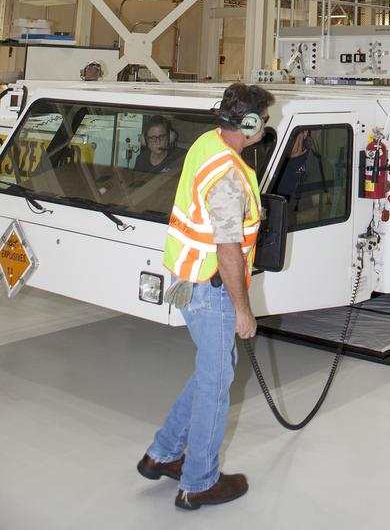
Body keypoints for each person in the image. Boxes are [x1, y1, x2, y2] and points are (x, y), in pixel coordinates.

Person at [136, 82, 273, 511]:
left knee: (214, 368)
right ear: (248, 124)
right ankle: (199, 482)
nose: (266, 126)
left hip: (186, 278)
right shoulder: (229, 176)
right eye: (263, 120)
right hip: (210, 288)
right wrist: (243, 311)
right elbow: (228, 249)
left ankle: (162, 454)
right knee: (216, 384)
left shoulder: (207, 143)